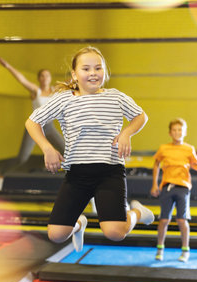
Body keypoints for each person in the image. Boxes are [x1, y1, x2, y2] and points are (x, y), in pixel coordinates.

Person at [25, 46, 154, 252]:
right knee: (56, 235)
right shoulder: (64, 98)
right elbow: (32, 123)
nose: (93, 73)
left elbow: (141, 116)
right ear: (75, 74)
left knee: (115, 233)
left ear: (105, 72)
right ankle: (79, 224)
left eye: (98, 68)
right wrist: (47, 147)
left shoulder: (115, 97)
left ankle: (137, 212)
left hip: (109, 172)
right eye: (86, 69)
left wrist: (126, 133)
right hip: (77, 174)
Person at [150, 118, 197, 262]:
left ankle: (185, 250)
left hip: (183, 187)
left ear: (184, 132)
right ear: (170, 133)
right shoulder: (164, 148)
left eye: (180, 130)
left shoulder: (189, 149)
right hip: (167, 186)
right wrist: (154, 184)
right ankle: (160, 248)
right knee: (164, 220)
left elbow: (196, 165)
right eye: (174, 130)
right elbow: (156, 164)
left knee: (182, 220)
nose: (177, 133)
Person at [0, 57, 65, 191]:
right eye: (42, 76)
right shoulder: (35, 91)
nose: (45, 78)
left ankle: (76, 184)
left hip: (49, 127)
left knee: (67, 152)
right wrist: (8, 66)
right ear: (39, 79)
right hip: (35, 127)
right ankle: (1, 174)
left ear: (50, 78)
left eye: (47, 76)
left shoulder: (55, 90)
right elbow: (22, 80)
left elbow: (70, 81)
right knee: (22, 158)